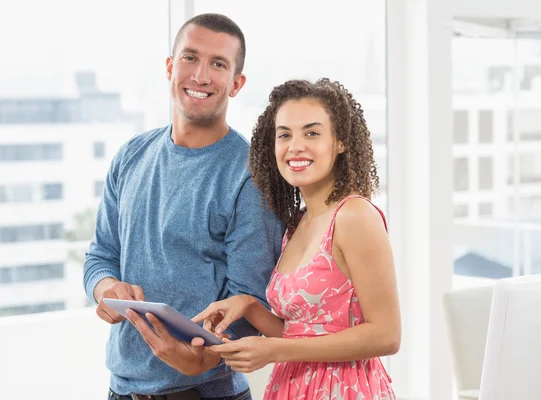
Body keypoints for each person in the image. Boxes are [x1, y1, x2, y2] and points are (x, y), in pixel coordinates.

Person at [83, 13, 284, 400]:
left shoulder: (250, 175)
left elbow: (252, 302)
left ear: (237, 84)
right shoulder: (131, 155)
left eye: (218, 64)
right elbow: (101, 255)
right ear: (170, 67)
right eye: (190, 58)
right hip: (120, 390)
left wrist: (207, 360)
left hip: (206, 393)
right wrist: (105, 288)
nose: (201, 75)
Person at [194, 78, 401, 399]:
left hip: (343, 390)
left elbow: (387, 336)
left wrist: (274, 350)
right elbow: (302, 331)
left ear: (341, 142)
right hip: (292, 386)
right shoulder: (297, 223)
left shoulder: (355, 216)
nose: (296, 146)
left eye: (312, 133)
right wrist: (249, 306)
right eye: (285, 135)